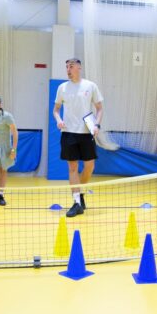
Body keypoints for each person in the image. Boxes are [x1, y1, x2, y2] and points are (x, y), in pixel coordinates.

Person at [53, 58, 103, 218]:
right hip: (68, 133)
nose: (68, 69)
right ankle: (76, 202)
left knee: (89, 166)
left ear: (79, 68)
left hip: (87, 132)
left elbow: (100, 108)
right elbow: (56, 110)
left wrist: (97, 125)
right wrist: (59, 120)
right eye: (66, 66)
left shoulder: (90, 86)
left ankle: (80, 193)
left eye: (71, 66)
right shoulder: (62, 88)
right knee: (72, 168)